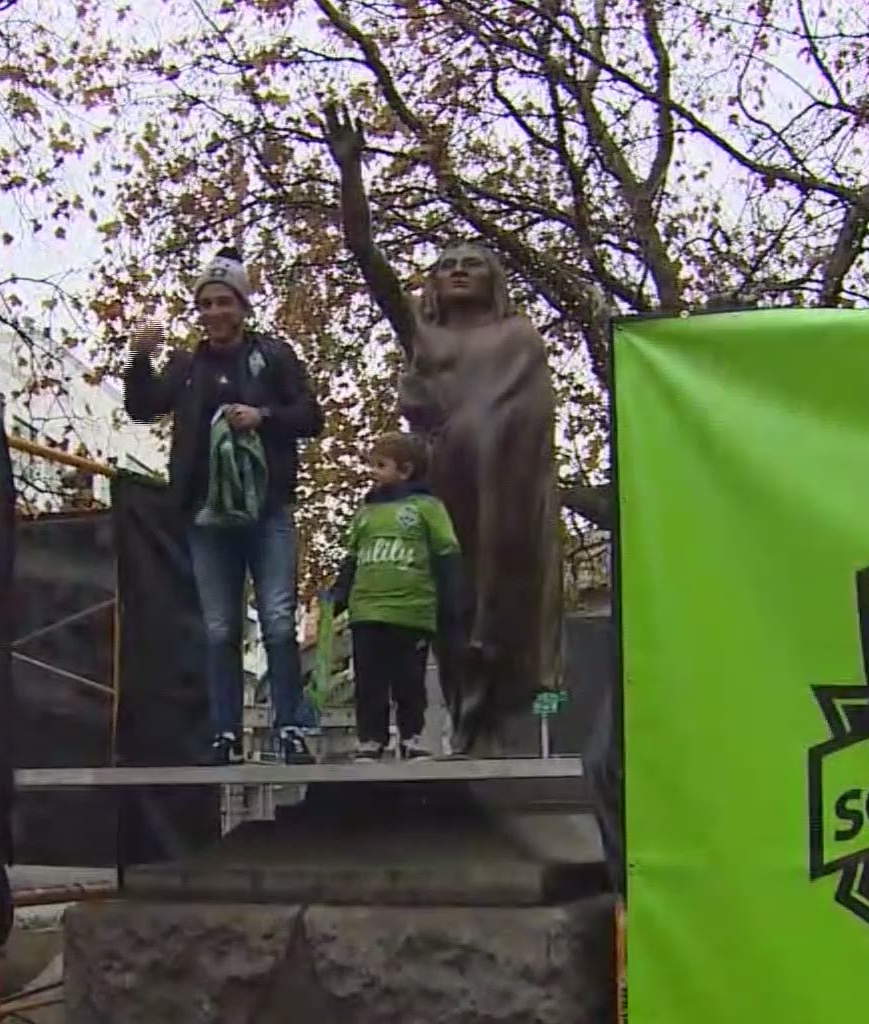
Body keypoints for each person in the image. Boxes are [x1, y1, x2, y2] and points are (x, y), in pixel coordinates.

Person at [322, 106, 565, 756]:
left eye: (473, 262)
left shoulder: (518, 335)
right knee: (447, 610)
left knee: (495, 604)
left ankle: (497, 708)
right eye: (446, 262)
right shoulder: (423, 336)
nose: (458, 268)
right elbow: (364, 255)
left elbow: (532, 413)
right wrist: (352, 173)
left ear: (495, 280)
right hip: (444, 489)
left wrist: (493, 436)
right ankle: (461, 713)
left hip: (504, 494)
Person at [124, 247, 325, 765]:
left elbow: (310, 415)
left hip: (267, 507)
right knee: (219, 626)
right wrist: (140, 361)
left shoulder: (272, 356)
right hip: (206, 513)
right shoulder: (187, 365)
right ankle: (224, 733)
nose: (214, 313)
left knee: (279, 619)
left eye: (224, 302)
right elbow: (144, 408)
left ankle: (290, 728)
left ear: (243, 306)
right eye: (206, 304)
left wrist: (262, 415)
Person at [330, 433, 464, 761]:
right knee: (369, 682)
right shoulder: (366, 512)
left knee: (409, 680)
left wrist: (451, 598)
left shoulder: (428, 508)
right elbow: (352, 556)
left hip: (411, 610)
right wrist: (338, 596)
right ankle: (371, 739)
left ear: (405, 470)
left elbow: (446, 553)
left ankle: (412, 735)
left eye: (380, 465)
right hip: (367, 611)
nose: (372, 471)